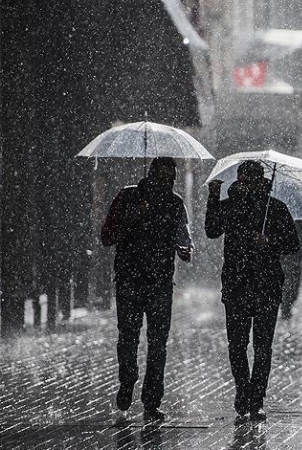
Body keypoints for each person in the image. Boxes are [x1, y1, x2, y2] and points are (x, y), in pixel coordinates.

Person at [205, 161, 300, 422]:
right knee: (237, 345)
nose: (244, 185)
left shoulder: (275, 208)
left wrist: (269, 241)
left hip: (267, 286)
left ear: (261, 182)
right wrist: (213, 198)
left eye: (249, 181)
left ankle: (257, 399)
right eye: (241, 180)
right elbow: (212, 230)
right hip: (236, 285)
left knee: (262, 347)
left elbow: (292, 244)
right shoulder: (230, 205)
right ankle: (242, 390)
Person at [101, 157, 193, 422]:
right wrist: (133, 216)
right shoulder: (128, 197)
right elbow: (107, 236)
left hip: (160, 283)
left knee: (158, 343)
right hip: (130, 281)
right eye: (162, 178)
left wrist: (185, 250)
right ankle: (127, 380)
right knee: (128, 337)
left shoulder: (175, 203)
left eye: (171, 179)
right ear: (151, 175)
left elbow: (184, 238)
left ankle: (152, 400)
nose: (167, 183)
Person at [280, 219, 302, 320]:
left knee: (292, 283)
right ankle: (286, 305)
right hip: (288, 259)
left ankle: (286, 304)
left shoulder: (300, 226)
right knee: (289, 282)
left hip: (294, 260)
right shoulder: (287, 223)